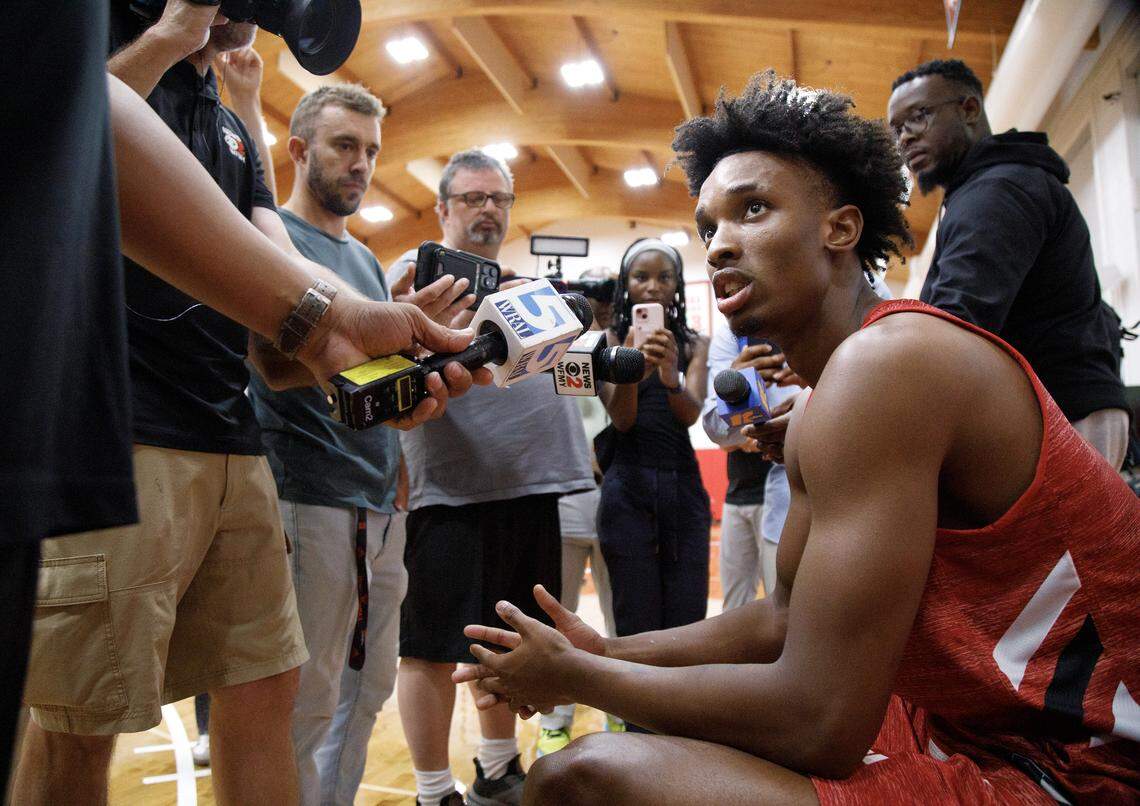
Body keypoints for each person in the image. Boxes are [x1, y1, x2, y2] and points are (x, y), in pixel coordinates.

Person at [454, 72, 1140, 804]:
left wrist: (582, 677)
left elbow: (820, 723)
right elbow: (781, 620)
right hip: (978, 728)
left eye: (753, 209)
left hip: (1085, 765)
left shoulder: (892, 362)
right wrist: (605, 649)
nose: (720, 246)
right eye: (709, 228)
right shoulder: (826, 396)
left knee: (578, 778)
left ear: (840, 229)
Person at [11, 6, 483, 805]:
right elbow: (64, 137)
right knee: (78, 725)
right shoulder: (105, 57)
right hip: (121, 436)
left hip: (233, 441)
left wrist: (374, 329)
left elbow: (286, 264)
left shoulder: (232, 129)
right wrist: (171, 35)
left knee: (268, 693)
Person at [246, 83, 466, 806]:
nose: (361, 164)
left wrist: (421, 353)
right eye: (345, 146)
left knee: (367, 692)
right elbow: (270, 363)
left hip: (380, 504)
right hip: (309, 493)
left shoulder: (368, 262)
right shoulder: (270, 237)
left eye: (371, 150)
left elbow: (373, 378)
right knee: (306, 700)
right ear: (299, 149)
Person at [387, 150, 594, 806]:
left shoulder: (525, 289)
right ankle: (431, 791)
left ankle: (498, 768)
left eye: (499, 199)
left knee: (505, 645)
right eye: (473, 198)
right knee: (429, 649)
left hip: (532, 485)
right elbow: (390, 368)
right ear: (443, 208)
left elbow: (570, 375)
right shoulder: (413, 276)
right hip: (450, 492)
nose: (488, 210)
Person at [888, 59, 1130, 469]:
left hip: (1064, 414)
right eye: (896, 129)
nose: (905, 137)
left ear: (969, 109)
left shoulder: (999, 190)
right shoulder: (983, 189)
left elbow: (954, 324)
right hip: (1058, 411)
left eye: (919, 116)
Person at [597, 239, 711, 656]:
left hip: (681, 481)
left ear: (677, 284)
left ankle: (680, 699)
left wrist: (669, 376)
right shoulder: (606, 340)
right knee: (635, 614)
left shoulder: (695, 343)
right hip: (627, 484)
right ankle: (635, 699)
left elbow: (690, 414)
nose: (652, 286)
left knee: (687, 612)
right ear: (625, 284)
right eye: (641, 277)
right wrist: (632, 368)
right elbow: (621, 419)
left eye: (664, 277)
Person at [537, 267, 622, 757]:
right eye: (589, 293)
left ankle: (619, 708)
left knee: (617, 616)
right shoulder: (548, 350)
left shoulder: (621, 347)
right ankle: (555, 718)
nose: (599, 301)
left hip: (614, 494)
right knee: (559, 614)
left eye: (607, 292)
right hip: (566, 494)